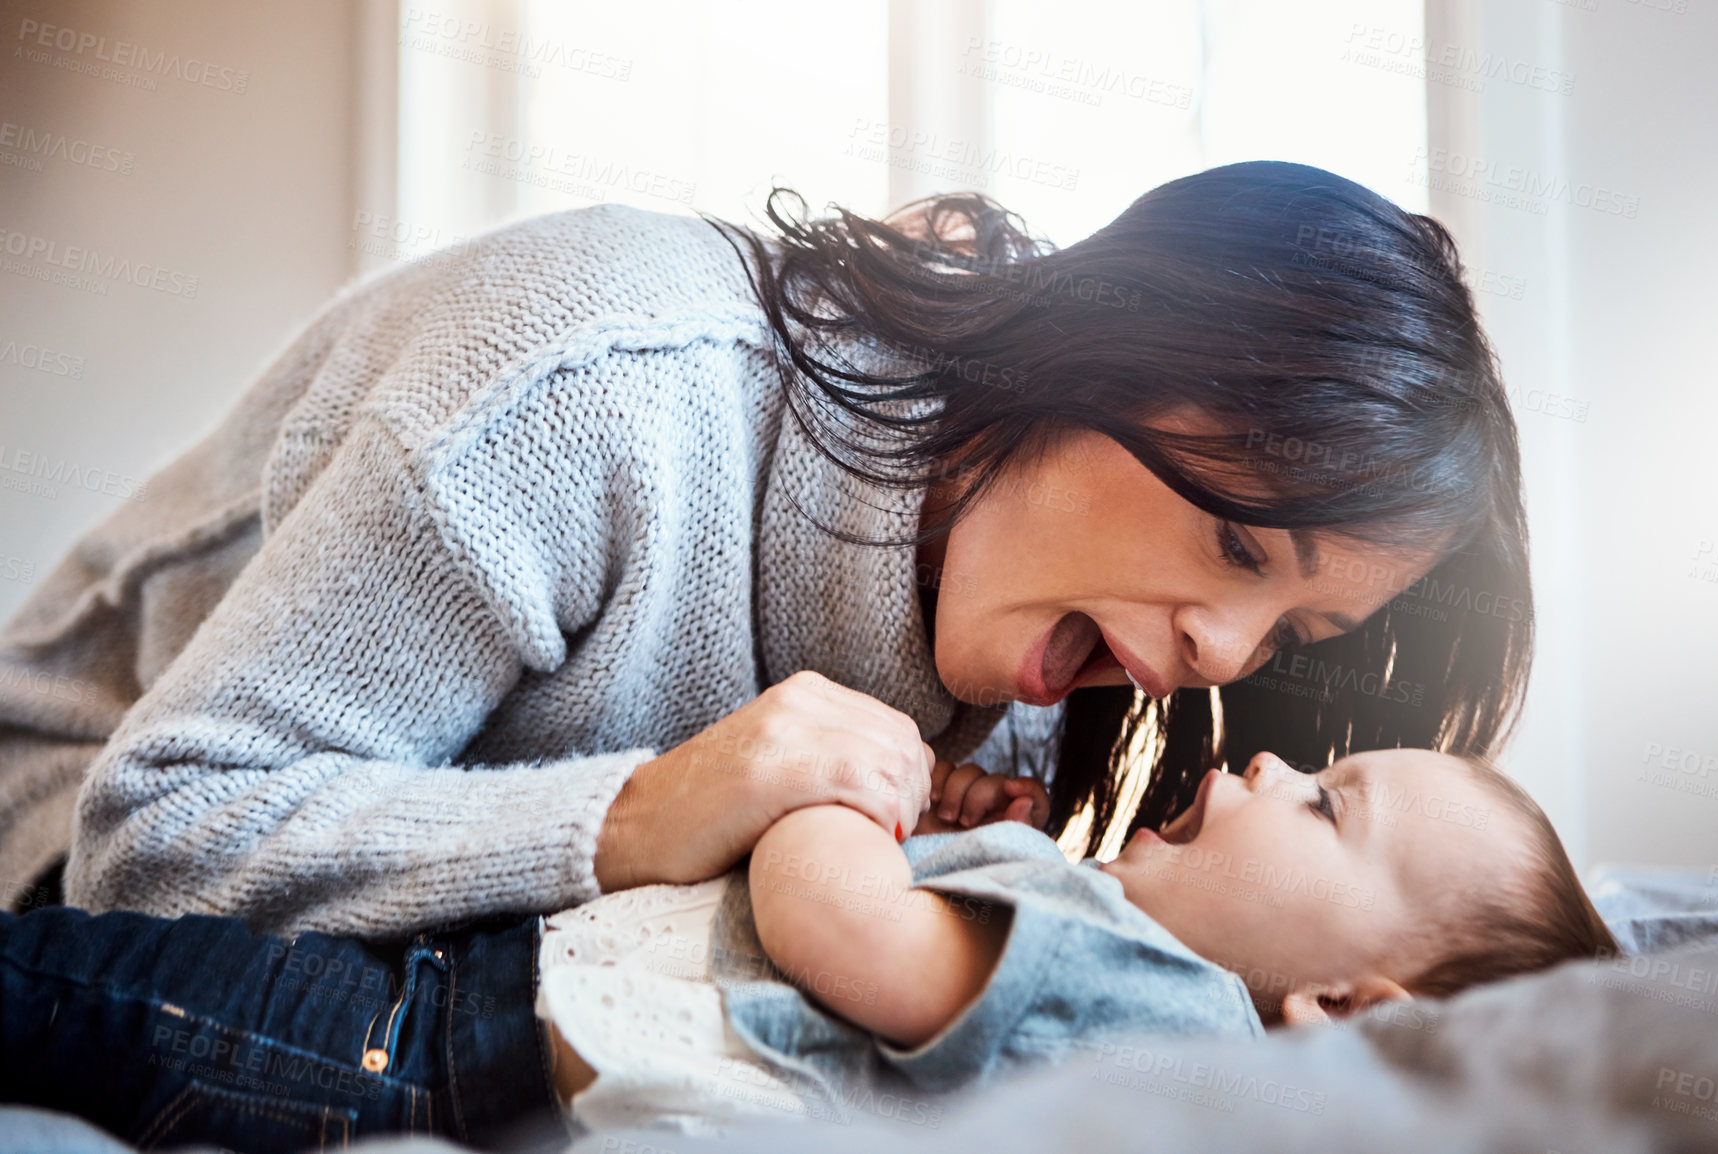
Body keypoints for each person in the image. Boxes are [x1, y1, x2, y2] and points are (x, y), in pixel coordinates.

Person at [0, 161, 1534, 938]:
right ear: (1110, 347)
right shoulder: (595, 382)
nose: (1221, 654)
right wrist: (654, 812)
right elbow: (156, 842)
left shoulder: (1050, 680)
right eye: (1241, 542)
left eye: (1292, 639)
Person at [0, 749, 1616, 1150]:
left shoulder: (1159, 995)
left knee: (76, 986)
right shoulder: (1107, 960)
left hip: (424, 1040)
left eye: (1329, 806)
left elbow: (836, 923)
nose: (1267, 765)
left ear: (1343, 1007)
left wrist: (843, 795)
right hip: (461, 1004)